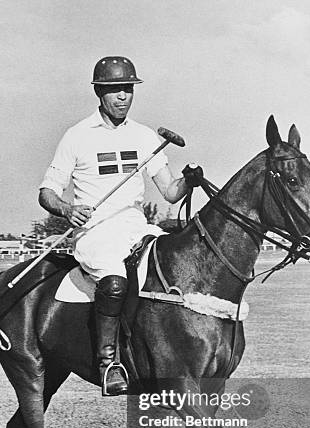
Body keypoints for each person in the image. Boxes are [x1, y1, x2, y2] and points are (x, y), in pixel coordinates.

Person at [39, 56, 202, 396]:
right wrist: (68, 210)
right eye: (114, 90)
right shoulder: (77, 136)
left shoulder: (144, 136)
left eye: (127, 89)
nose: (122, 97)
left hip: (136, 228)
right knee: (115, 283)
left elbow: (170, 193)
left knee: (174, 266)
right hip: (95, 232)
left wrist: (188, 180)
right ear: (99, 92)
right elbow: (47, 192)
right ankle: (108, 363)